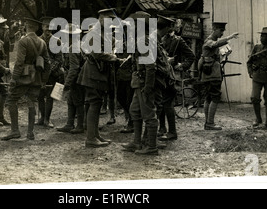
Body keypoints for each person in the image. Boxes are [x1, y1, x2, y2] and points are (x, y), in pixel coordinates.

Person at [77, 8, 124, 148]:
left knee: (96, 104)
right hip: (93, 73)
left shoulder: (103, 33)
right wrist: (115, 58)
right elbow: (97, 54)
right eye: (109, 20)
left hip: (99, 73)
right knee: (94, 104)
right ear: (101, 18)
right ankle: (91, 138)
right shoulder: (94, 33)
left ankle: (95, 135)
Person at [1, 17, 50, 141]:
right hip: (37, 78)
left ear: (27, 26)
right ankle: (30, 132)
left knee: (11, 100)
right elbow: (47, 64)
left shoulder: (23, 41)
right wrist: (44, 80)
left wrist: (14, 78)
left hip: (24, 77)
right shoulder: (42, 42)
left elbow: (19, 62)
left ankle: (15, 131)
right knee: (32, 102)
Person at [122, 11, 159, 155]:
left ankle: (152, 146)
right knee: (135, 111)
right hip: (139, 81)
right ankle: (137, 142)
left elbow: (150, 66)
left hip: (143, 83)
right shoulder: (141, 39)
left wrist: (148, 87)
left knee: (149, 115)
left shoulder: (144, 40)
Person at [158, 15, 195, 141]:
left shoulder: (178, 41)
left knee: (167, 103)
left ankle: (172, 131)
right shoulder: (159, 39)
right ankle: (162, 128)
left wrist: (181, 65)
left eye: (171, 26)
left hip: (172, 76)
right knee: (161, 102)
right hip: (161, 75)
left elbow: (191, 56)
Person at [198, 22, 239, 130]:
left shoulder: (212, 40)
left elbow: (215, 53)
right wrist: (230, 37)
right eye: (221, 30)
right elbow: (214, 45)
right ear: (214, 29)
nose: (222, 33)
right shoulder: (209, 41)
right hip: (212, 75)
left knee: (208, 97)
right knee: (215, 97)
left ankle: (208, 122)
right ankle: (210, 123)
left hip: (210, 74)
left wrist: (224, 55)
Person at [57, 23, 86, 134]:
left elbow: (74, 68)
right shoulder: (80, 45)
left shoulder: (73, 48)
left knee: (78, 102)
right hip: (80, 78)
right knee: (71, 101)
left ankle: (79, 125)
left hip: (76, 79)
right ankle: (70, 124)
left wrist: (67, 83)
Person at [37, 17, 64, 128]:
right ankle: (42, 117)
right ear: (42, 27)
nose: (48, 29)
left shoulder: (56, 41)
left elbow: (59, 59)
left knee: (49, 96)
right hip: (40, 72)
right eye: (46, 26)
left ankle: (47, 119)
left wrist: (50, 70)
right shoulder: (38, 40)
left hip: (52, 74)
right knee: (39, 96)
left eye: (50, 27)